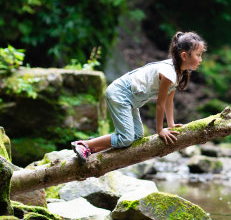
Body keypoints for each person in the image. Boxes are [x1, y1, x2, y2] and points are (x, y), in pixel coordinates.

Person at [71, 31, 206, 161]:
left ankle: (93, 148)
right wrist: (160, 130)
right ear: (184, 56)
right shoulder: (168, 72)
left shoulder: (178, 73)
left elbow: (169, 101)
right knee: (126, 138)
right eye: (198, 55)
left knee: (137, 136)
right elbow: (160, 104)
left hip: (131, 100)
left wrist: (170, 125)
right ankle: (84, 145)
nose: (200, 59)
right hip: (121, 93)